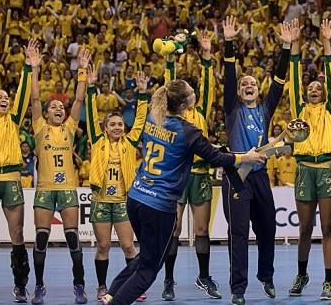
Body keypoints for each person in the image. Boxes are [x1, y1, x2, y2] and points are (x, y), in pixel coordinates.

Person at [101, 79, 266, 305]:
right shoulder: (188, 131)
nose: (194, 92)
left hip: (136, 197)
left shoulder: (152, 118)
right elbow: (215, 158)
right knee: (149, 270)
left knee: (144, 258)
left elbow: (204, 149)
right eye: (191, 90)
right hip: (159, 206)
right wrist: (246, 157)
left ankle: (110, 295)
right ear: (185, 103)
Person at [221, 16, 297, 305]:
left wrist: (287, 47)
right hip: (237, 179)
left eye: (252, 82)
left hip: (261, 177)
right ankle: (238, 289)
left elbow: (278, 82)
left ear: (258, 89)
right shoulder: (232, 110)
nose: (248, 85)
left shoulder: (265, 110)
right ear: (240, 92)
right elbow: (229, 78)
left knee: (268, 228)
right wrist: (228, 43)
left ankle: (266, 276)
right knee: (238, 234)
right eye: (244, 84)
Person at [161, 31, 222, 300]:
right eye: (189, 92)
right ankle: (168, 280)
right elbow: (168, 85)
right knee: (172, 229)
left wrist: (207, 55)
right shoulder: (170, 113)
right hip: (177, 177)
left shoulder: (200, 113)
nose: (194, 94)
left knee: (201, 230)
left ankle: (204, 276)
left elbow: (208, 85)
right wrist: (171, 57)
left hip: (199, 175)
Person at [86, 57, 149, 302]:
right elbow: (91, 115)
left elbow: (141, 120)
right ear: (104, 128)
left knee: (128, 247)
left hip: (123, 200)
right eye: (112, 124)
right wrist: (91, 88)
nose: (117, 127)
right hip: (101, 201)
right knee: (102, 247)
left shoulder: (130, 142)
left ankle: (133, 287)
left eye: (120, 124)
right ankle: (102, 287)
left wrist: (142, 93)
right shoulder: (97, 141)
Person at [30, 46, 88, 304]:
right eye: (52, 106)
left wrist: (83, 71)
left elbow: (78, 100)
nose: (58, 108)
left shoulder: (69, 126)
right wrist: (34, 68)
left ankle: (79, 285)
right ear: (46, 112)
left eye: (59, 107)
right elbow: (33, 100)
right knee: (41, 238)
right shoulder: (39, 126)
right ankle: (39, 286)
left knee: (73, 238)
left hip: (67, 189)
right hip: (44, 187)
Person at [0, 38, 33, 302]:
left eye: (6, 97)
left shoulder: (14, 119)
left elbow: (22, 94)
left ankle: (20, 285)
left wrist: (28, 68)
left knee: (18, 234)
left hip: (12, 179)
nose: (5, 99)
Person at [288, 20, 331, 300]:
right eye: (311, 88)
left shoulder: (330, 108)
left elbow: (330, 76)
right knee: (305, 228)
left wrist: (326, 43)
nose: (314, 90)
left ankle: (328, 281)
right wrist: (295, 44)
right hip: (305, 169)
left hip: (327, 169)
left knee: (328, 228)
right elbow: (295, 78)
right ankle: (302, 273)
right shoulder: (300, 109)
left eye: (318, 88)